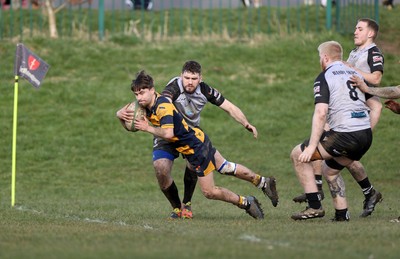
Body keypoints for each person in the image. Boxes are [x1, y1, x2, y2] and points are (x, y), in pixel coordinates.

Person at [117, 61, 278, 219]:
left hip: (195, 146)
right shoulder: (159, 96)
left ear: (200, 78)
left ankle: (249, 199)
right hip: (186, 138)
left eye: (194, 78)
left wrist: (246, 123)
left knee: (210, 190)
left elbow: (168, 132)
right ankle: (260, 185)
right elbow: (137, 121)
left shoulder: (167, 104)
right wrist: (120, 116)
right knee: (224, 167)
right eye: (136, 94)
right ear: (181, 77)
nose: (139, 98)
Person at [292, 18, 384, 218]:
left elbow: (376, 89)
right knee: (331, 168)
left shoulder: (371, 54)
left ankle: (314, 203)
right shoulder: (353, 56)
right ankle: (342, 213)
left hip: (351, 126)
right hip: (358, 129)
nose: (355, 31)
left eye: (360, 28)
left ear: (324, 58)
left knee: (302, 153)